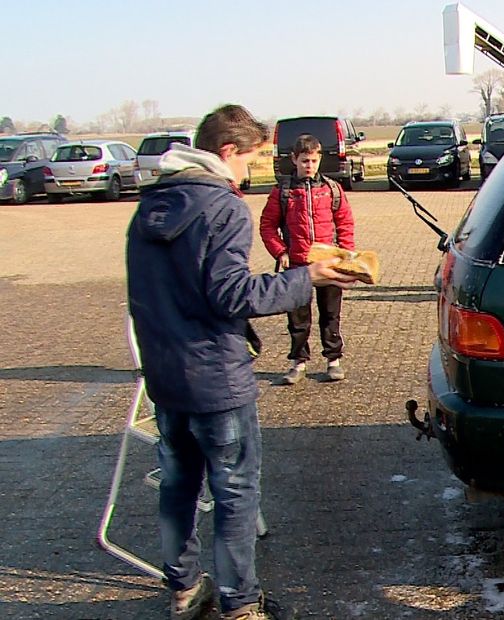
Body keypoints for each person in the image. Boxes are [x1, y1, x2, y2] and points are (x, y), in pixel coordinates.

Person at [126, 104, 355, 620]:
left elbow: (145, 296)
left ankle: (184, 590)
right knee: (234, 493)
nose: (250, 172)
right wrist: (309, 278)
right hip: (215, 378)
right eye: (249, 160)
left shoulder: (148, 207)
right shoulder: (221, 208)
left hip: (166, 376)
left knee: (178, 486)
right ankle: (239, 603)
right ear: (226, 153)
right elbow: (232, 295)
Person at [260, 134, 356, 385]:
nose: (309, 165)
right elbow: (267, 226)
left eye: (313, 160)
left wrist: (345, 254)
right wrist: (280, 252)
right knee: (298, 319)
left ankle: (333, 360)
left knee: (331, 315)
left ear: (320, 159)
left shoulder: (332, 189)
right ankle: (298, 361)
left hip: (329, 263)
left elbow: (344, 223)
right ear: (294, 159)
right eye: (304, 160)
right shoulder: (282, 191)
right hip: (297, 266)